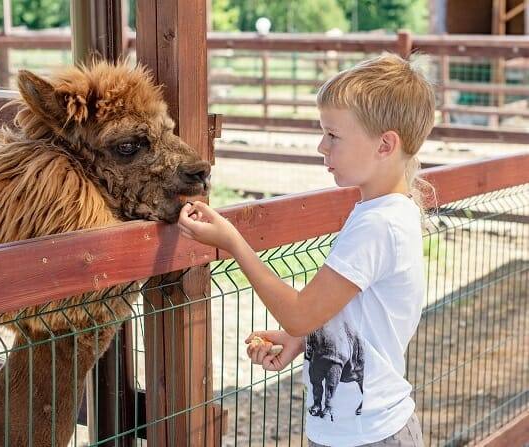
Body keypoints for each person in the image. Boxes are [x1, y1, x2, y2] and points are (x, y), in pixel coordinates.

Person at [177, 53, 435, 447]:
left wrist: (232, 243)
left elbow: (299, 312)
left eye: (333, 135)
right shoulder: (381, 212)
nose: (321, 146)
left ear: (385, 144)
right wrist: (304, 340)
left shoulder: (377, 223)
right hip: (359, 429)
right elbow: (345, 311)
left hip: (367, 436)